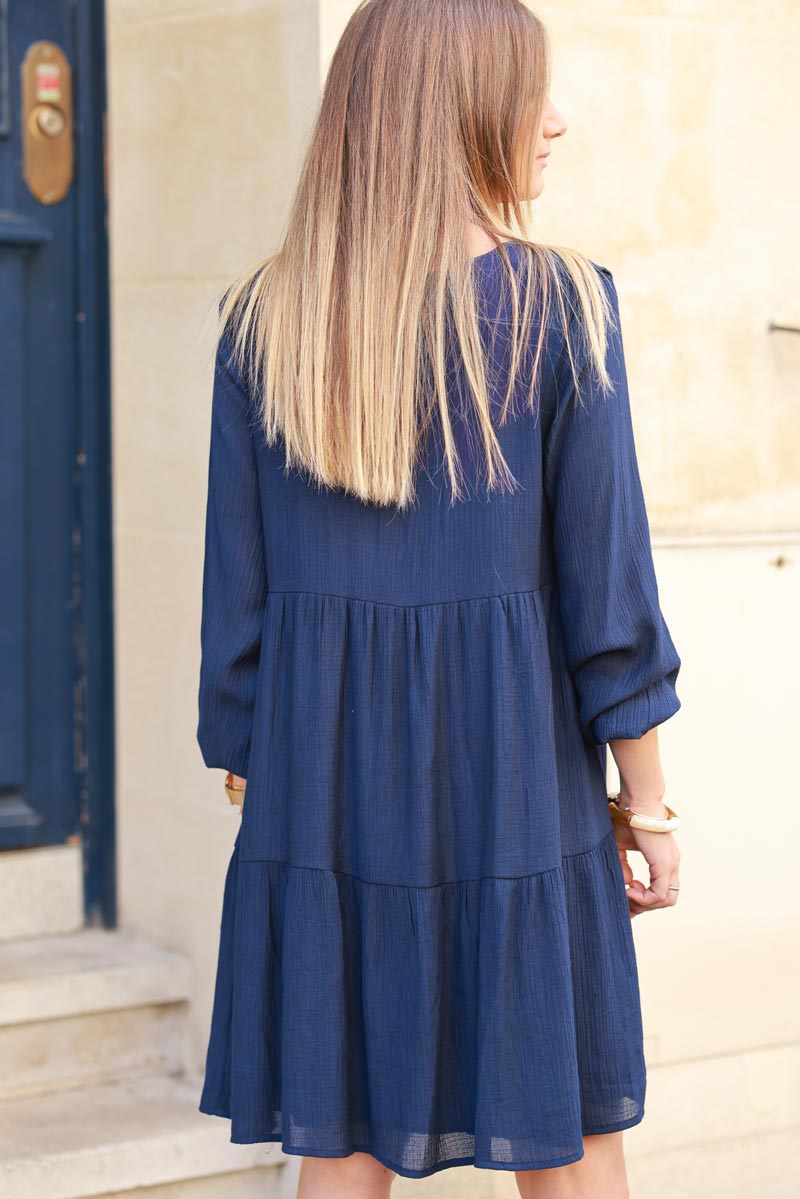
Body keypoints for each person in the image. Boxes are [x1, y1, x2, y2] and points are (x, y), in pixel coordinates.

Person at [195, 1, 683, 1196]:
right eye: (532, 93)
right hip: (513, 767)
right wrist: (650, 806)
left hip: (325, 777)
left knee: (343, 1134)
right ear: (455, 113)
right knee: (562, 1127)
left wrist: (254, 756)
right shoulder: (563, 308)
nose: (553, 120)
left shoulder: (267, 318)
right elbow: (603, 591)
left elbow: (235, 593)